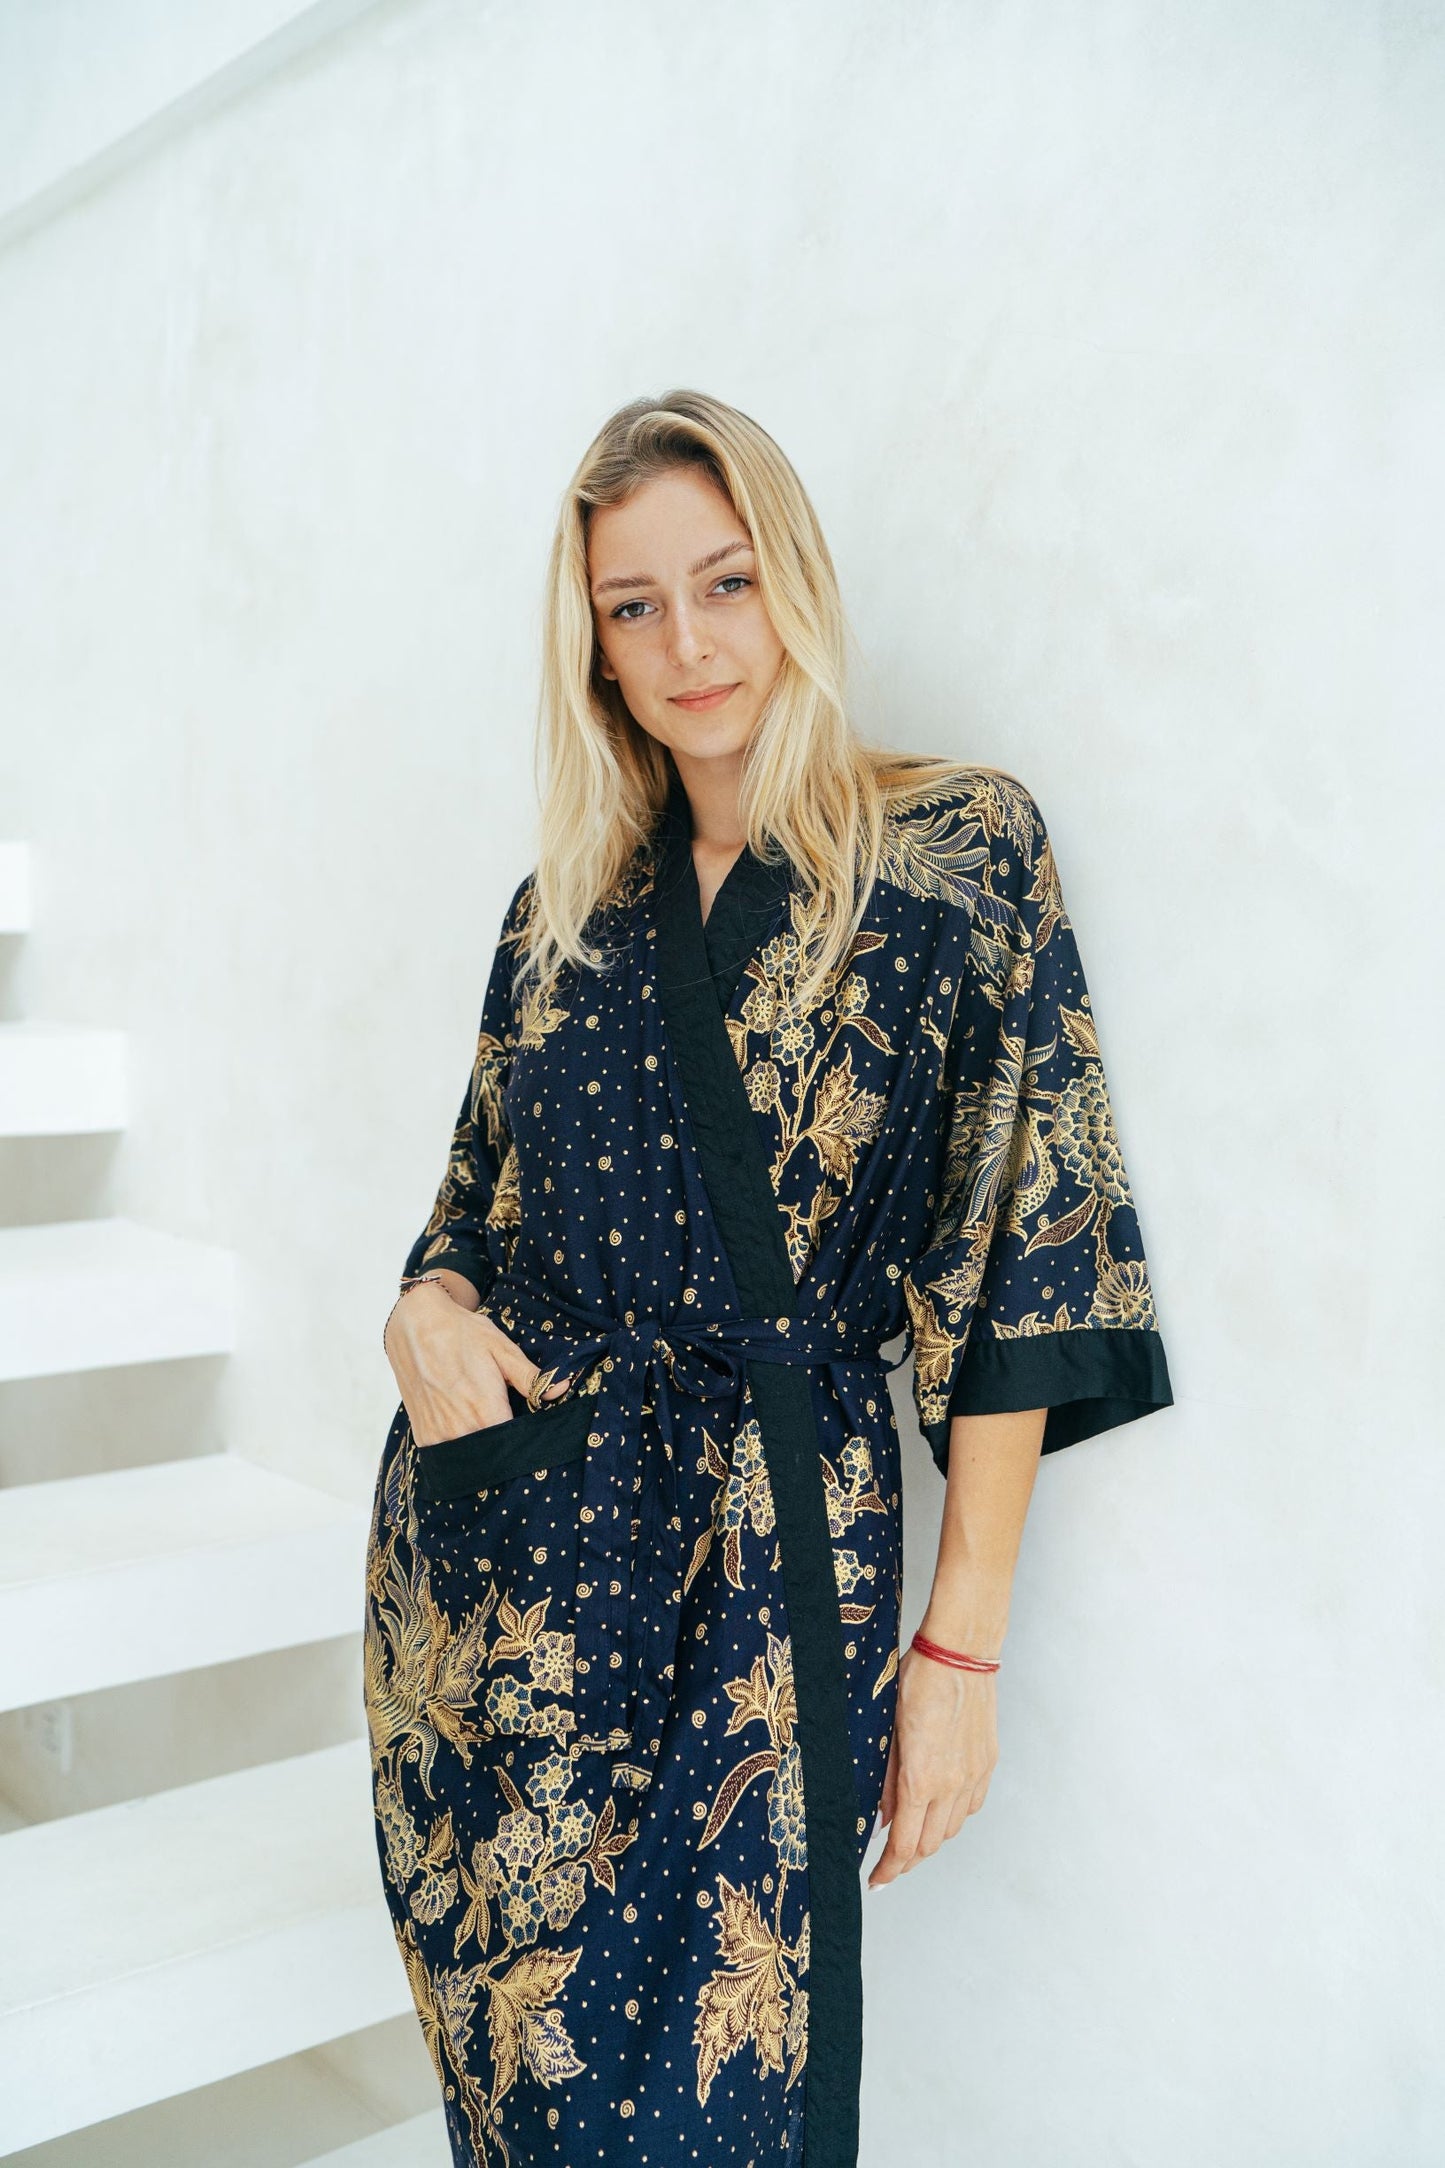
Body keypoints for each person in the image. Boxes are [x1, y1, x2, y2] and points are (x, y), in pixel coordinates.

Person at [363, 389, 1173, 2168]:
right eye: (633, 605)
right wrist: (420, 1313)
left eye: (723, 581)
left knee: (723, 2104)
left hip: (765, 1577)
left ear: (790, 578)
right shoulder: (556, 917)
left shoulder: (957, 855)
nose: (688, 643)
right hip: (502, 1602)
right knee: (529, 2103)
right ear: (592, 646)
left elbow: (1022, 1265)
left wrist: (957, 1650)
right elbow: (463, 1222)